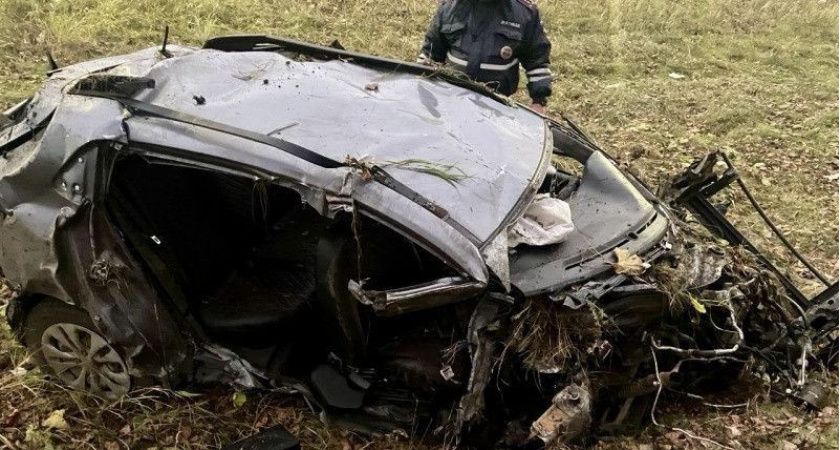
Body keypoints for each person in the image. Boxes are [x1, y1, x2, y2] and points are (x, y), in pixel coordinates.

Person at [418, 0, 553, 113]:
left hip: (497, 108)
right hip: (451, 102)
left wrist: (539, 102)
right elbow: (429, 56)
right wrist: (420, 91)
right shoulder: (449, 9)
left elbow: (537, 61)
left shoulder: (524, 14)